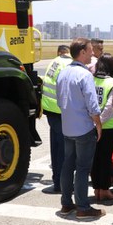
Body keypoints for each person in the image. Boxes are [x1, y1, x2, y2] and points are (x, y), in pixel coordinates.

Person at [57, 38, 104, 221]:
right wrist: (98, 124)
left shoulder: (63, 72)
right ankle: (83, 206)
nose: (93, 53)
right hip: (83, 128)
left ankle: (66, 202)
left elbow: (60, 101)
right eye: (90, 50)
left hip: (67, 127)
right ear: (82, 52)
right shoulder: (85, 75)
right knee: (83, 168)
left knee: (67, 165)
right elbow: (92, 105)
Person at [40, 45, 72, 194]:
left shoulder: (54, 62)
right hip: (61, 111)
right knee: (64, 150)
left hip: (50, 109)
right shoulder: (68, 64)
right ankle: (61, 183)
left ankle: (57, 180)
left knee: (55, 147)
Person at [91, 53, 113, 201]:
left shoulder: (91, 79)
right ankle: (104, 189)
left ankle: (96, 189)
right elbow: (110, 107)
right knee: (105, 158)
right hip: (108, 127)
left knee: (95, 158)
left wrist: (95, 124)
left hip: (92, 125)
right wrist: (100, 124)